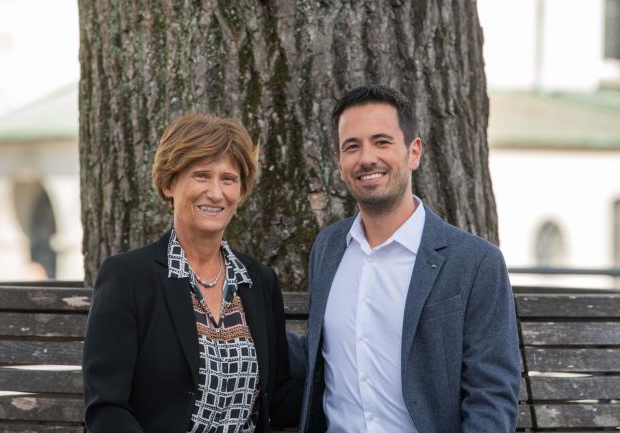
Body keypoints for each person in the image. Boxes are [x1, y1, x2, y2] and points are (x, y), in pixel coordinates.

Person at [297, 85, 521, 432]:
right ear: (339, 162)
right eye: (352, 146)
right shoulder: (328, 248)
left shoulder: (475, 263)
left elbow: (491, 397)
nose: (366, 158)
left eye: (381, 142)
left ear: (413, 152)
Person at [83, 112, 299, 433]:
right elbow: (106, 408)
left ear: (240, 192)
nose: (215, 192)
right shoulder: (128, 278)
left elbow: (278, 396)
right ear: (169, 183)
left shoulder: (257, 281)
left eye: (228, 179)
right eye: (201, 176)